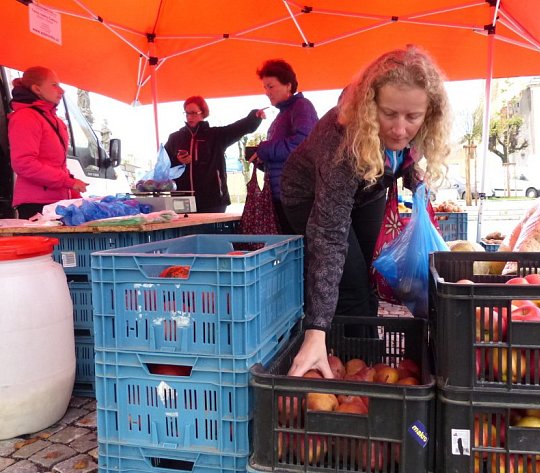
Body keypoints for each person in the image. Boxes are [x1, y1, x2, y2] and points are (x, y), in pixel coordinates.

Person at [281, 46, 451, 378]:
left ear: (428, 113)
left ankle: (369, 362)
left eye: (412, 117)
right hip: (309, 195)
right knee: (350, 282)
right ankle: (346, 363)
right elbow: (329, 238)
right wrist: (316, 328)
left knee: (367, 278)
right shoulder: (342, 139)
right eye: (389, 114)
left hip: (369, 187)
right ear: (370, 106)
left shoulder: (417, 127)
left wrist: (413, 177)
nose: (400, 130)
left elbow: (399, 157)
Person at [8, 66, 88, 219]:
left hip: (56, 201)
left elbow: (55, 163)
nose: (61, 90)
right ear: (37, 89)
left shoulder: (52, 118)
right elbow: (24, 163)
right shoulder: (25, 117)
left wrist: (71, 187)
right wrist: (68, 182)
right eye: (54, 85)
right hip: (37, 204)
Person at [164, 96, 265, 213]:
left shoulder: (216, 136)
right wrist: (178, 161)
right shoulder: (175, 138)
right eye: (187, 113)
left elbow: (238, 128)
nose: (189, 117)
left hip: (213, 201)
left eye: (193, 113)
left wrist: (254, 117)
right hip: (181, 200)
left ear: (203, 113)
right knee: (186, 232)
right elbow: (163, 165)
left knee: (211, 231)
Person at [250, 59, 318, 232]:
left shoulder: (302, 106)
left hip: (298, 196)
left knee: (299, 249)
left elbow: (304, 143)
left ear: (288, 85)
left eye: (271, 86)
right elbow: (285, 158)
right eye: (265, 87)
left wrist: (264, 150)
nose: (267, 92)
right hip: (284, 194)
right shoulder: (283, 114)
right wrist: (263, 161)